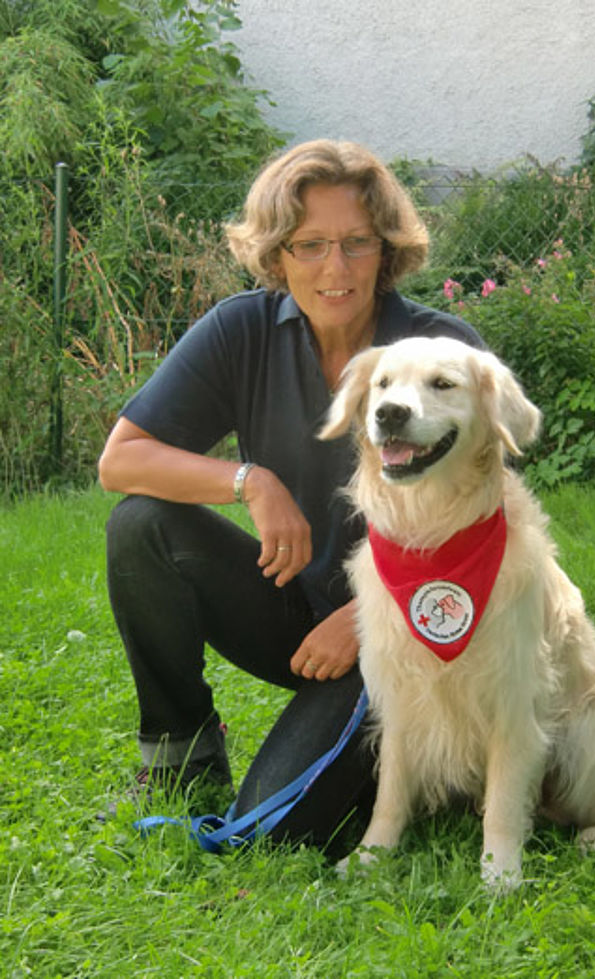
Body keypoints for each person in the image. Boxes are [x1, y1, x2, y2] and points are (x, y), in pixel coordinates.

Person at [98, 138, 485, 852]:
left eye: (356, 243)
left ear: (387, 250)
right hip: (294, 613)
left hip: (401, 636)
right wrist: (249, 481)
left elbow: (486, 529)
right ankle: (181, 752)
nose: (335, 269)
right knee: (142, 525)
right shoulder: (241, 328)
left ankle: (422, 760)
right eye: (310, 245)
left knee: (276, 830)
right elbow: (121, 460)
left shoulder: (441, 353)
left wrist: (373, 614)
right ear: (276, 256)